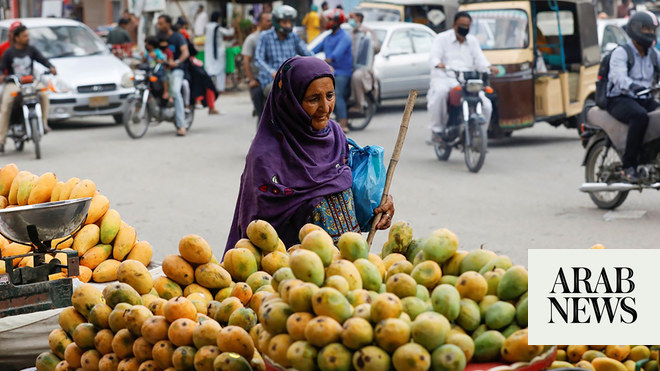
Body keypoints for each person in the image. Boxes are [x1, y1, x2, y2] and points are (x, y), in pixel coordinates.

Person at [224, 56, 395, 253]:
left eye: (330, 96)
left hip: (349, 268)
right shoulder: (266, 158)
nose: (325, 108)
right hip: (296, 273)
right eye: (313, 99)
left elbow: (350, 192)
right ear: (290, 101)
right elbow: (258, 233)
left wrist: (380, 205)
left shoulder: (335, 134)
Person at [607, 11, 660, 182]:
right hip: (620, 98)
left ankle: (650, 154)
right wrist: (631, 85)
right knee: (639, 116)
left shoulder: (653, 54)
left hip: (643, 97)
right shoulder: (622, 52)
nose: (650, 33)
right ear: (635, 29)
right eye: (646, 29)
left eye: (652, 30)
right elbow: (617, 76)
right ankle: (628, 165)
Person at [427, 11, 498, 140]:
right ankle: (437, 130)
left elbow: (480, 60)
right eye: (462, 25)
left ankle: (479, 136)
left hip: (467, 80)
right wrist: (438, 64)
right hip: (445, 77)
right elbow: (433, 57)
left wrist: (489, 67)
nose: (464, 28)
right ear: (454, 25)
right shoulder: (442, 39)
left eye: (467, 25)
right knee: (440, 94)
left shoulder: (472, 41)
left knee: (486, 104)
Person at [0, 25, 57, 153]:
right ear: (17, 38)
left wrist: (51, 67)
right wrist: (2, 76)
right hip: (14, 83)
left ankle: (43, 123)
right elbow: (1, 67)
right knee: (6, 104)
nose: (27, 38)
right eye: (25, 36)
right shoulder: (9, 53)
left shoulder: (31, 50)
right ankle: (1, 139)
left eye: (28, 35)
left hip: (31, 82)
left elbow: (43, 60)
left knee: (43, 94)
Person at [254, 5, 313, 97]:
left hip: (292, 80)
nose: (288, 25)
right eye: (284, 22)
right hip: (271, 82)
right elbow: (258, 59)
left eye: (290, 22)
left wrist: (321, 64)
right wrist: (272, 72)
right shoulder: (265, 36)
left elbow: (307, 53)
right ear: (276, 22)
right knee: (284, 95)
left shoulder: (293, 37)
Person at [313, 9, 352, 133]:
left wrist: (323, 61)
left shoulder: (344, 37)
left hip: (342, 72)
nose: (328, 22)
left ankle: (344, 123)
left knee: (337, 94)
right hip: (330, 71)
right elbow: (313, 50)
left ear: (337, 22)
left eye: (330, 20)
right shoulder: (328, 37)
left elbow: (336, 55)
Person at [157, 14, 190, 136]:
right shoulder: (159, 37)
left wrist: (176, 62)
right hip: (162, 69)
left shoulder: (178, 37)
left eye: (161, 23)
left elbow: (185, 53)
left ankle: (181, 125)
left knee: (176, 92)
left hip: (176, 70)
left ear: (168, 24)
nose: (159, 26)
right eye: (158, 23)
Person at [348, 11, 381, 116]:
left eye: (353, 17)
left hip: (364, 68)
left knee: (356, 77)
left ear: (359, 18)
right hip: (351, 66)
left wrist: (368, 38)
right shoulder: (351, 32)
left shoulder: (368, 31)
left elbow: (377, 48)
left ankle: (360, 105)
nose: (351, 20)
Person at [242, 12, 272, 119]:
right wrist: (251, 80)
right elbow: (246, 60)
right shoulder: (252, 39)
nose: (270, 23)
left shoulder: (274, 38)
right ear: (259, 23)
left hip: (272, 79)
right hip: (258, 81)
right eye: (267, 20)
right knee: (262, 115)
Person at [205, 11, 235, 99]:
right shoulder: (218, 27)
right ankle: (220, 88)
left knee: (209, 69)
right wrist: (232, 27)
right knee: (220, 71)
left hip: (210, 51)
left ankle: (209, 88)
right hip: (218, 52)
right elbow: (229, 33)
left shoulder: (207, 27)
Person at [144, 36, 169, 101]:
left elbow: (162, 60)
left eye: (147, 44)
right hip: (150, 70)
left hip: (158, 70)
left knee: (163, 78)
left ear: (151, 45)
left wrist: (155, 58)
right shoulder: (147, 52)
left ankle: (165, 92)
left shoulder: (157, 52)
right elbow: (144, 60)